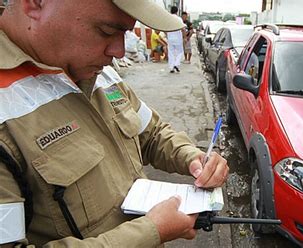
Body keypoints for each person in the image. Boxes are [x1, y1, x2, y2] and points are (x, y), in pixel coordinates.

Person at [0, 0, 229, 247]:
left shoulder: (96, 70)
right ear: (35, 4)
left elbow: (151, 133)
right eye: (107, 31)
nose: (119, 51)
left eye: (124, 33)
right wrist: (151, 231)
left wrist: (192, 158)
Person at [167, 6, 185, 73]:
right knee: (180, 52)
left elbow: (164, 28)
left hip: (170, 38)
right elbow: (183, 29)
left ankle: (171, 68)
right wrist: (185, 37)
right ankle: (176, 64)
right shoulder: (179, 19)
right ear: (177, 11)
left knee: (171, 53)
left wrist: (167, 35)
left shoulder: (168, 19)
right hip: (178, 38)